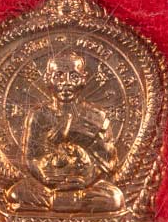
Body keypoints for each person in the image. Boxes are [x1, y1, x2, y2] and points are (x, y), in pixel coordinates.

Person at [6, 51, 125, 213]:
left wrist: (85, 179)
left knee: (115, 199)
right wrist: (46, 177)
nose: (66, 83)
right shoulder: (39, 115)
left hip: (85, 186)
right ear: (48, 79)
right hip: (47, 185)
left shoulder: (96, 116)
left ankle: (59, 203)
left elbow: (108, 162)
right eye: (59, 76)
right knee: (15, 194)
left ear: (83, 79)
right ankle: (68, 203)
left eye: (74, 76)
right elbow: (30, 159)